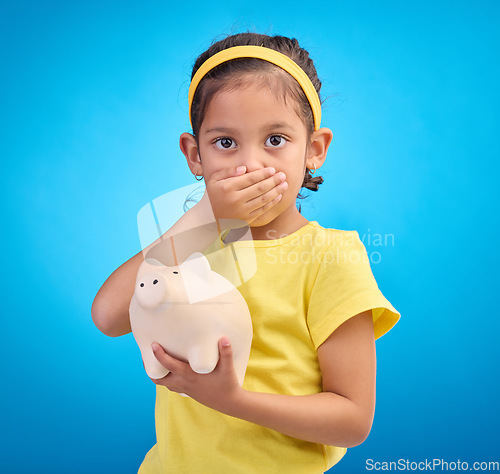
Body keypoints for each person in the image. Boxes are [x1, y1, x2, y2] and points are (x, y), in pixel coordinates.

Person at [91, 32, 401, 473]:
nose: (249, 165)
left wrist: (232, 401)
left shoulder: (331, 256)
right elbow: (108, 316)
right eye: (225, 143)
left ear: (314, 150)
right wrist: (207, 217)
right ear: (194, 155)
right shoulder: (187, 243)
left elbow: (352, 421)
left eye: (275, 140)